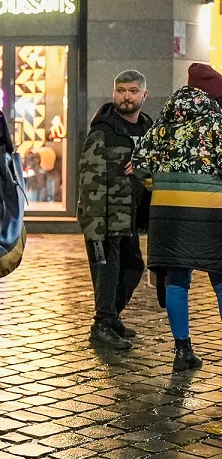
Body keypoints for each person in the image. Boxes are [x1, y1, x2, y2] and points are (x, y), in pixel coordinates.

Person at [132, 62, 222, 371]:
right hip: (211, 209)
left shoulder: (164, 122)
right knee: (221, 279)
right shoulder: (217, 122)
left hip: (166, 209)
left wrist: (159, 186)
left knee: (176, 278)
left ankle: (182, 351)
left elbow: (140, 163)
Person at [77, 70, 154, 350]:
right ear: (113, 93)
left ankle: (111, 317)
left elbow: (155, 165)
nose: (126, 96)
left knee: (132, 267)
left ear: (144, 95)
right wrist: (94, 224)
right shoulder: (104, 129)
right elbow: (89, 178)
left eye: (133, 91)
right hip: (105, 218)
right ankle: (102, 324)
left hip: (131, 218)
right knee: (106, 273)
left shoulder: (147, 129)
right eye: (121, 90)